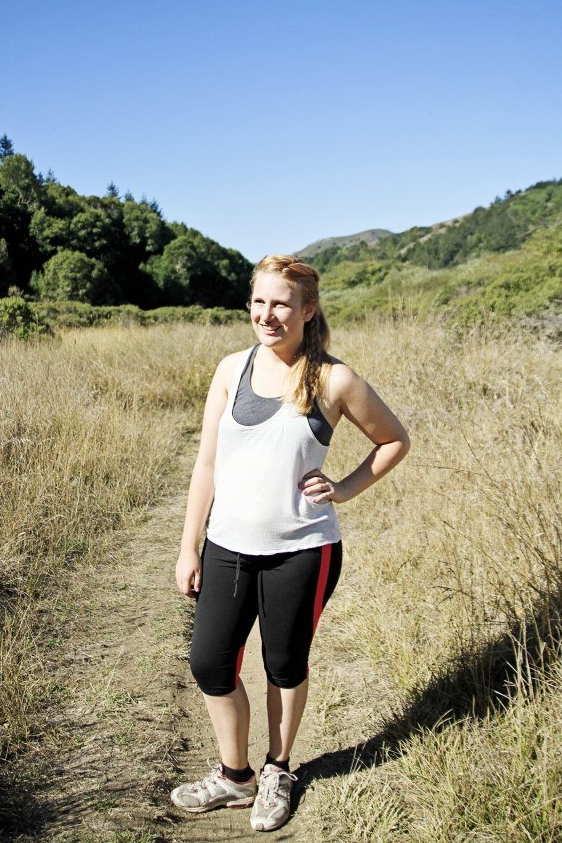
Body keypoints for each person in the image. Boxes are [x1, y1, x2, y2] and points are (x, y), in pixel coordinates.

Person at [172, 254, 411, 831]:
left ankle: (278, 770)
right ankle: (235, 777)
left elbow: (393, 440)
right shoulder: (230, 369)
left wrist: (344, 489)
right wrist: (189, 546)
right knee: (209, 663)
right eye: (259, 301)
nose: (267, 314)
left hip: (303, 549)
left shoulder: (334, 379)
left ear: (307, 310)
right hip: (228, 544)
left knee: (283, 663)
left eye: (281, 303)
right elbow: (207, 462)